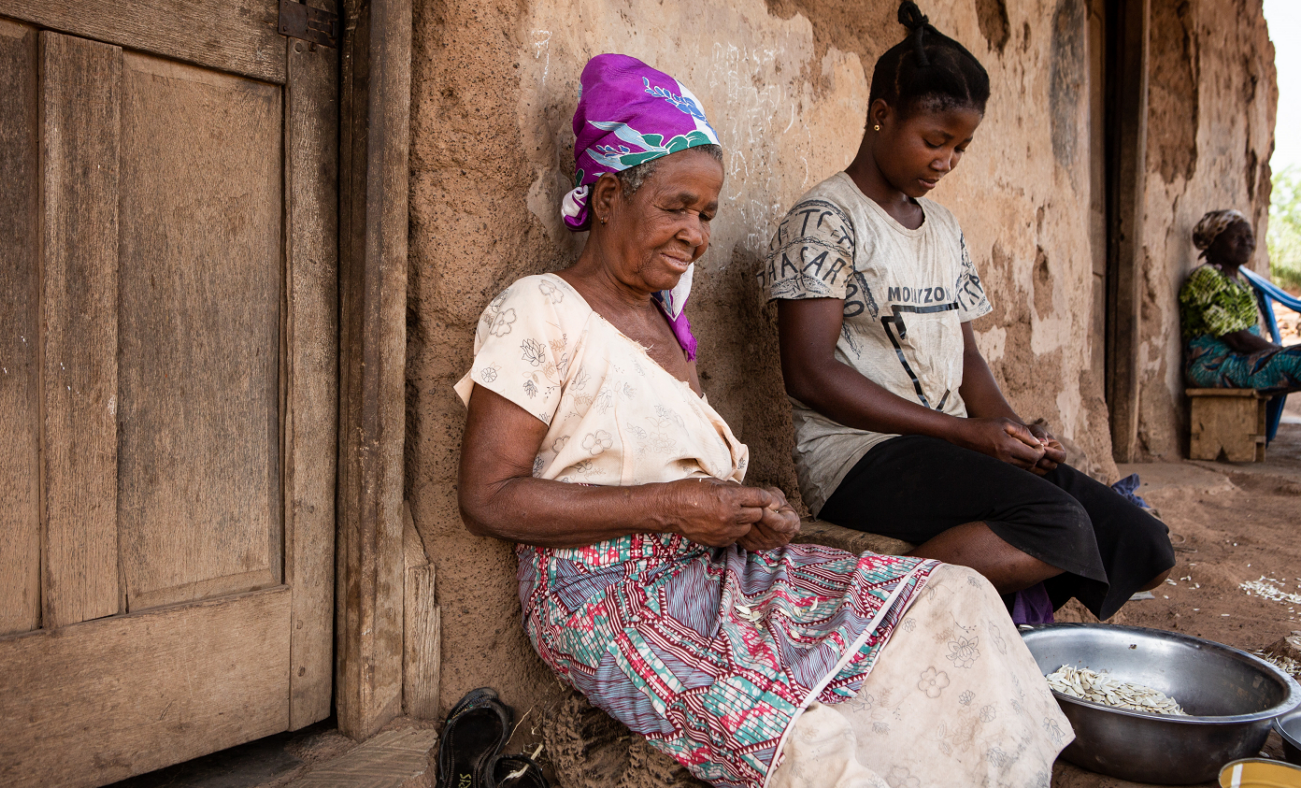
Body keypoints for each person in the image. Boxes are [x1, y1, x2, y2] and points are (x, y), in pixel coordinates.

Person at [457, 52, 1070, 788]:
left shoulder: (664, 320)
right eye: (677, 207)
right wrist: (678, 508)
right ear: (611, 195)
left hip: (717, 569)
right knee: (806, 745)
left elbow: (681, 480)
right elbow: (489, 497)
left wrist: (746, 515)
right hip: (602, 595)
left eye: (707, 214)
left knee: (954, 597)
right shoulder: (541, 309)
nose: (697, 235)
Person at [763, 1, 1174, 623]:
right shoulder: (826, 219)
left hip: (947, 445)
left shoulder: (944, 228)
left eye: (960, 147)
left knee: (1143, 543)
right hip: (859, 456)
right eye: (935, 140)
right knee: (1055, 525)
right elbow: (810, 374)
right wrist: (961, 432)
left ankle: (986, 613)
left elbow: (968, 355)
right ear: (881, 116)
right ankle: (879, 621)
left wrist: (1011, 434)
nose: (946, 161)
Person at [1181, 209, 1301, 392]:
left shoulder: (1241, 285)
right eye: (1236, 237)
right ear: (1214, 243)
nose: (1246, 242)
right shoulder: (1206, 277)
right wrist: (1282, 352)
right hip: (1215, 366)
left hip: (1241, 360)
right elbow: (1239, 340)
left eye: (1248, 235)